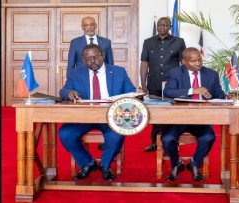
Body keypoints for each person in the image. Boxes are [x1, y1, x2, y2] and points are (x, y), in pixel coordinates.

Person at [59, 44, 136, 181]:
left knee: (117, 133)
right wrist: (69, 93)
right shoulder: (76, 73)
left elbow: (132, 92)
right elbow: (63, 91)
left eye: (96, 57)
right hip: (84, 117)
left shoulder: (118, 72)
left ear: (103, 56)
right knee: (65, 133)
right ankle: (88, 163)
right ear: (83, 60)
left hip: (110, 116)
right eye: (88, 59)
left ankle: (105, 166)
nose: (92, 61)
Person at [162, 47, 226, 182]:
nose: (198, 63)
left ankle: (195, 163)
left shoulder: (211, 74)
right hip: (179, 118)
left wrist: (227, 97)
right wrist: (192, 90)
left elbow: (219, 95)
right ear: (184, 62)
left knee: (209, 137)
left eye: (199, 59)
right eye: (193, 61)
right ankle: (176, 163)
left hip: (201, 118)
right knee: (167, 139)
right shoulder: (175, 73)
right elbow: (168, 93)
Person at [67, 16, 114, 150]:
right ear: (82, 27)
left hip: (102, 82)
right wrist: (69, 84)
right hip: (83, 83)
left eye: (91, 25)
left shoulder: (106, 42)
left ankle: (106, 139)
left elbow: (110, 64)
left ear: (96, 25)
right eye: (86, 25)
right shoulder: (75, 42)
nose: (89, 28)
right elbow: (71, 66)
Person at [140, 17, 186, 152]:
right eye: (160, 25)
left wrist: (182, 84)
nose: (162, 27)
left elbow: (183, 63)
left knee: (170, 113)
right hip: (153, 82)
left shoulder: (179, 42)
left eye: (165, 25)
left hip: (172, 84)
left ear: (170, 26)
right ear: (157, 27)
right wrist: (143, 84)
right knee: (154, 114)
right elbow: (144, 63)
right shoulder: (148, 42)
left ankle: (170, 142)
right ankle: (154, 142)